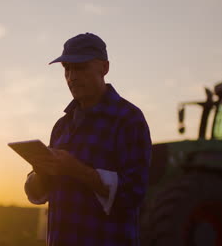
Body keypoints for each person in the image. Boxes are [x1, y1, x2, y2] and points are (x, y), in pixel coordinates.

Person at [24, 32, 152, 246]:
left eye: (80, 67)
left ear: (104, 68)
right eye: (67, 68)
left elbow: (133, 194)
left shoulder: (128, 119)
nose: (71, 76)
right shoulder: (61, 126)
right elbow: (38, 193)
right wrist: (41, 170)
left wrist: (78, 170)